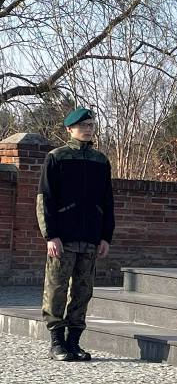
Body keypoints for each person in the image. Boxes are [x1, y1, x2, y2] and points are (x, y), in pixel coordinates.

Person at [37, 107, 115, 361]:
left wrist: (105, 236)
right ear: (70, 129)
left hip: (90, 237)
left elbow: (107, 201)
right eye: (83, 126)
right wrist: (50, 235)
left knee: (83, 291)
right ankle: (57, 343)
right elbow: (45, 199)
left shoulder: (100, 161)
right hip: (63, 238)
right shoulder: (56, 158)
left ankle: (74, 342)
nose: (88, 129)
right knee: (56, 288)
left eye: (91, 125)